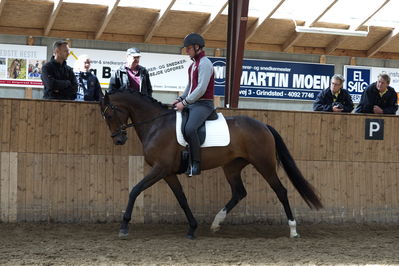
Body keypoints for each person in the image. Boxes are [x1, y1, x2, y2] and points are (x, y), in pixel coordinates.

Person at [172, 33, 215, 176]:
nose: (186, 51)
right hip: (193, 103)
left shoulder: (205, 63)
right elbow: (190, 86)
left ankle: (196, 163)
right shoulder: (193, 65)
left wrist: (184, 102)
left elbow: (201, 89)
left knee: (190, 128)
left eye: (189, 48)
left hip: (204, 104)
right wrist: (180, 99)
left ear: (197, 47)